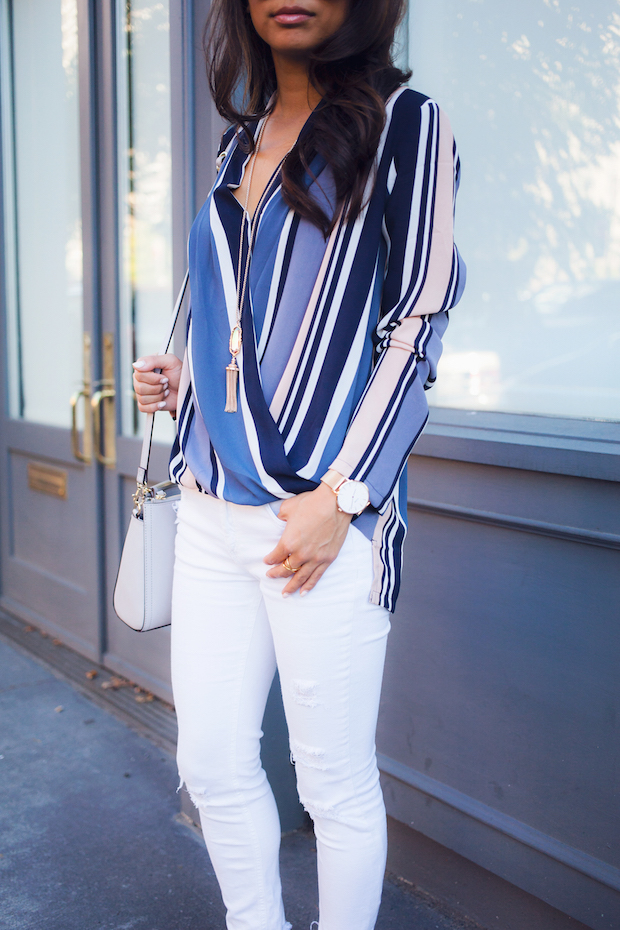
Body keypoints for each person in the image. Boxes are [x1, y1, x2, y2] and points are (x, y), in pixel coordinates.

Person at [132, 1, 465, 928]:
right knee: (210, 761)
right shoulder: (237, 146)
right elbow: (233, 320)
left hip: (319, 516)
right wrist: (183, 381)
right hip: (206, 507)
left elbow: (418, 320)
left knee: (331, 783)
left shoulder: (407, 125)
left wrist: (345, 497)